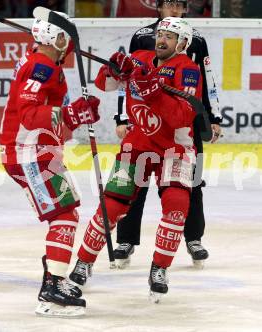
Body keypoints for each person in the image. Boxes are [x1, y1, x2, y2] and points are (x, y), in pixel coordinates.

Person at [69, 17, 203, 302]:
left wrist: (153, 91)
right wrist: (113, 67)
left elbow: (181, 115)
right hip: (137, 147)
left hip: (174, 150)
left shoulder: (188, 70)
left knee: (177, 206)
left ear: (183, 43)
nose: (162, 39)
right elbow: (103, 83)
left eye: (169, 36)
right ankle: (84, 261)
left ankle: (159, 269)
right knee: (112, 204)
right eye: (160, 34)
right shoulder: (139, 58)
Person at [0, 12, 101, 317]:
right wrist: (72, 115)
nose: (69, 45)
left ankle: (53, 275)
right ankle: (52, 289)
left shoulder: (45, 65)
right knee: (65, 215)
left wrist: (76, 114)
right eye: (66, 39)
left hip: (40, 150)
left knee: (66, 211)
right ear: (56, 38)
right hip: (29, 152)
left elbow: (54, 120)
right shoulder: (41, 67)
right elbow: (30, 116)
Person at [113, 0, 222, 270]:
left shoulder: (195, 39)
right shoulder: (142, 37)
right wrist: (122, 117)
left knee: (190, 180)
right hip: (145, 121)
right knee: (136, 179)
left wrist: (214, 116)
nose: (174, 9)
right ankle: (126, 240)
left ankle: (193, 238)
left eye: (179, 5)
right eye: (169, 4)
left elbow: (207, 77)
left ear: (185, 9)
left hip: (183, 123)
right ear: (159, 7)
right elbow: (126, 78)